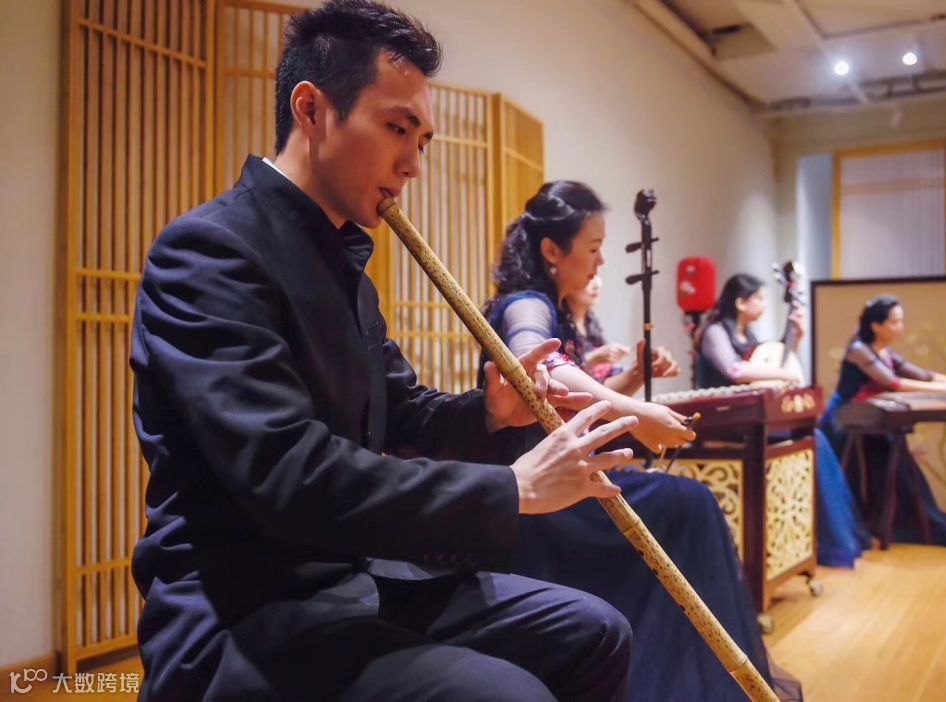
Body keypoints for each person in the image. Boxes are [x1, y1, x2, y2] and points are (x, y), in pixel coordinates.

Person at [129, 3, 642, 700]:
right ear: (312, 110)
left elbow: (402, 412)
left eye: (423, 140)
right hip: (243, 610)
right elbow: (289, 473)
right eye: (398, 129)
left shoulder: (344, 266)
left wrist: (490, 413)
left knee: (594, 631)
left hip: (358, 580)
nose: (414, 164)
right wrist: (511, 489)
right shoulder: (210, 253)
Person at [480, 181, 800, 702]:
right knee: (690, 505)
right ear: (552, 251)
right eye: (593, 248)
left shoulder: (552, 305)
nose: (600, 261)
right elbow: (539, 364)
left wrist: (632, 380)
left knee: (688, 505)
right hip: (541, 494)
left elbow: (569, 402)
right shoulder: (527, 304)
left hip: (567, 481)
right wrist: (636, 413)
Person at [695, 273, 869, 568]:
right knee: (814, 440)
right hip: (724, 420)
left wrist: (795, 337)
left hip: (751, 420)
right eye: (759, 298)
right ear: (740, 303)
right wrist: (783, 374)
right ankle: (822, 541)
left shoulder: (748, 336)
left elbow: (769, 367)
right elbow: (736, 371)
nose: (764, 304)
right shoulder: (715, 332)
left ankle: (814, 541)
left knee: (814, 439)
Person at [819, 295, 946, 548]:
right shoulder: (858, 350)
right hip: (845, 423)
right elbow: (894, 383)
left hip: (872, 420)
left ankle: (907, 519)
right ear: (876, 326)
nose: (900, 327)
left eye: (900, 321)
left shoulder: (885, 352)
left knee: (899, 462)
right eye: (894, 322)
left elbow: (925, 376)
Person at [566, 274, 680, 393]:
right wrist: (593, 359)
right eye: (590, 276)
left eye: (597, 275)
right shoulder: (559, 325)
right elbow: (566, 381)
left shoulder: (590, 322)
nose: (597, 285)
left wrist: (643, 364)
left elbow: (607, 377)